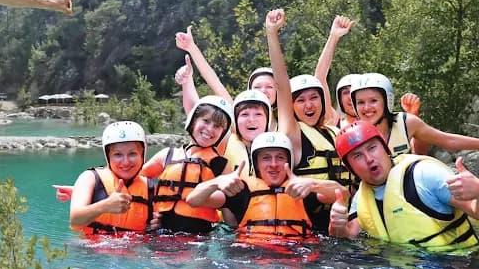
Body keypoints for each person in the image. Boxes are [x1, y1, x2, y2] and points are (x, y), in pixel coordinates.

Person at [329, 121, 479, 251]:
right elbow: (348, 236)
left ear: (385, 148)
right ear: (350, 168)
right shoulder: (361, 198)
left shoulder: (425, 173)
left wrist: (477, 190)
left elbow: (475, 210)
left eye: (372, 148)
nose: (369, 159)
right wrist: (337, 226)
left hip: (460, 266)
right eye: (357, 156)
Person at [265, 9, 352, 231]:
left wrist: (334, 37)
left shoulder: (333, 130)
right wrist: (271, 33)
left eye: (314, 98)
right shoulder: (292, 131)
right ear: (291, 106)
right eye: (301, 100)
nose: (309, 105)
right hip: (306, 229)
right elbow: (281, 83)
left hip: (340, 223)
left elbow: (321, 75)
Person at [187, 132, 344, 242]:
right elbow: (193, 200)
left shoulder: (301, 190)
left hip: (295, 259)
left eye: (280, 157)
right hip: (253, 259)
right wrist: (217, 182)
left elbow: (342, 194)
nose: (273, 164)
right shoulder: (242, 192)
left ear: (288, 161)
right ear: (256, 164)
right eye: (266, 158)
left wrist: (313, 184)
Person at [145, 96, 236, 233]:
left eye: (217, 126)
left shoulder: (220, 165)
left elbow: (230, 218)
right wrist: (150, 213)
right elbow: (136, 182)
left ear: (222, 133)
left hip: (200, 236)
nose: (210, 129)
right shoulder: (167, 155)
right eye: (206, 121)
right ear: (193, 121)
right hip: (162, 232)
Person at [350, 73, 479, 157]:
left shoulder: (406, 122)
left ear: (387, 101)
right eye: (360, 102)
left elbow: (448, 141)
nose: (366, 107)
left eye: (373, 101)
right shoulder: (352, 135)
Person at [69, 121, 152, 235]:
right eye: (118, 154)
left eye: (132, 154)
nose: (126, 162)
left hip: (137, 246)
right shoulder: (89, 178)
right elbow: (74, 220)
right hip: (91, 246)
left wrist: (157, 224)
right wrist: (105, 206)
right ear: (108, 157)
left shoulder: (150, 188)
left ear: (142, 155)